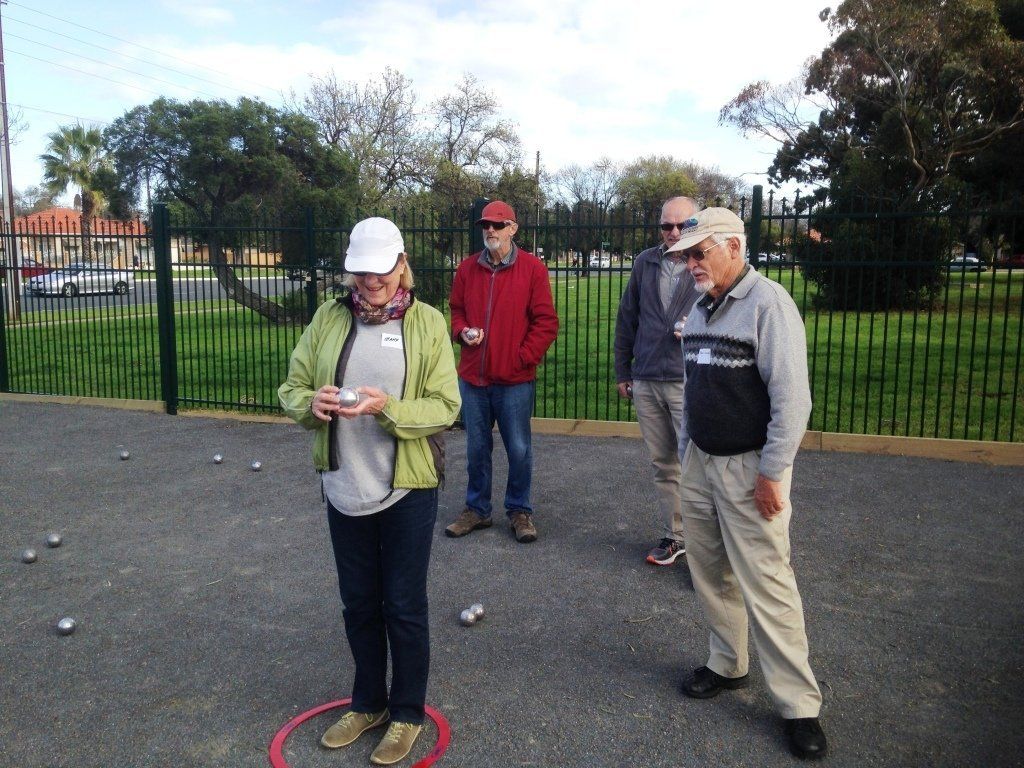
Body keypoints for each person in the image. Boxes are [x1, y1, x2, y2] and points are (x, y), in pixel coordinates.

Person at [278, 217, 461, 766]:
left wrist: (388, 408)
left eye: (380, 270)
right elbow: (293, 386)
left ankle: (406, 712)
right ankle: (368, 703)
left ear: (401, 264)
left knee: (402, 605)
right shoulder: (329, 317)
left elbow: (446, 407)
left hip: (406, 487)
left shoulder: (427, 322)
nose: (371, 282)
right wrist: (309, 404)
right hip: (344, 485)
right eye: (361, 272)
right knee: (358, 604)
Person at [671, 208, 828, 760]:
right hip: (702, 462)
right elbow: (693, 389)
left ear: (734, 247)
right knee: (709, 571)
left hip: (749, 468)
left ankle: (799, 706)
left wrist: (772, 472)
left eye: (700, 252)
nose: (691, 264)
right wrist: (687, 453)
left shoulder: (769, 304)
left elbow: (793, 401)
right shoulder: (701, 308)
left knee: (768, 582)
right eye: (686, 256)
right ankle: (727, 662)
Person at [445, 200, 559, 543]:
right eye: (486, 225)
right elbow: (456, 310)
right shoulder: (467, 269)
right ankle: (477, 509)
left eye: (497, 224)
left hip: (514, 380)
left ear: (513, 229)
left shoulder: (532, 269)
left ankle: (519, 510)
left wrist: (522, 357)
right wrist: (462, 332)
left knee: (519, 449)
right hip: (474, 378)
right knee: (476, 449)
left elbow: (546, 322)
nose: (490, 230)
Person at [614, 196, 701, 566]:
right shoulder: (645, 262)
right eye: (667, 225)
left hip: (688, 378)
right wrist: (623, 370)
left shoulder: (705, 262)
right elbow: (627, 317)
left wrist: (697, 329)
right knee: (663, 464)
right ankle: (676, 536)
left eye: (682, 225)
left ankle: (706, 547)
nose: (674, 232)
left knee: (697, 464)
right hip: (647, 378)